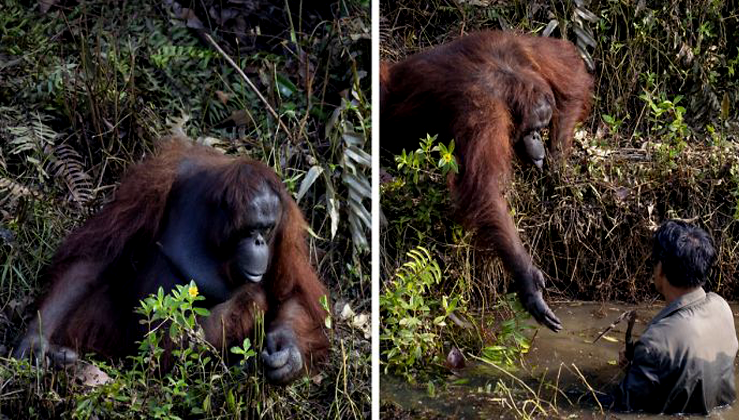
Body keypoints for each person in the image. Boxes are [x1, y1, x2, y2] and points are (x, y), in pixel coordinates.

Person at [616, 219, 738, 414]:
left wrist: (634, 370)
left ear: (661, 269)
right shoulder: (722, 307)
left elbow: (623, 408)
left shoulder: (655, 344)